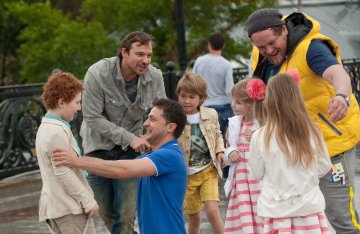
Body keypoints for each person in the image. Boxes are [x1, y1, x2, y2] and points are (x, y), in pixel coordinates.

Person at [246, 8, 360, 233]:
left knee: (340, 216)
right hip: (292, 149)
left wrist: (341, 96)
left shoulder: (311, 48)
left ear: (284, 31)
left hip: (330, 142)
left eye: (272, 43)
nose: (268, 50)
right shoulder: (261, 57)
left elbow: (338, 74)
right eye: (261, 47)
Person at [53, 98, 187, 234]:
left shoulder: (170, 155)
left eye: (152, 119)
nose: (145, 123)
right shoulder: (152, 156)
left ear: (170, 127)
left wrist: (77, 161)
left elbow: (122, 169)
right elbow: (115, 167)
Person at [80, 31, 166, 233]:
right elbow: (92, 117)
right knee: (107, 214)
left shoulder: (155, 77)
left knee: (125, 216)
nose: (146, 60)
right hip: (97, 149)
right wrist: (129, 138)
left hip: (131, 154)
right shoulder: (97, 73)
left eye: (149, 55)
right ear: (124, 53)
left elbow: (161, 113)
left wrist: (148, 136)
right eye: (140, 54)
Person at [248, 73, 332, 233]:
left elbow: (257, 173)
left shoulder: (259, 136)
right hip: (309, 208)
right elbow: (323, 167)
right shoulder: (312, 131)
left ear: (269, 101)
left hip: (276, 210)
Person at [35, 72, 99, 234]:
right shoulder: (56, 132)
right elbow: (63, 172)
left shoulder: (46, 127)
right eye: (77, 102)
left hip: (59, 206)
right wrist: (88, 201)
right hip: (69, 208)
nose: (79, 107)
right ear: (62, 102)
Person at [176, 72, 224, 234]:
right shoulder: (175, 117)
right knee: (194, 217)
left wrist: (220, 151)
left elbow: (218, 134)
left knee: (212, 211)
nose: (186, 101)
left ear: (201, 98)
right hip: (186, 175)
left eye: (191, 97)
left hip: (207, 171)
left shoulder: (211, 114)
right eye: (183, 96)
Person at [223, 78, 265, 233]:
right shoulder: (234, 124)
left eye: (238, 102)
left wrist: (258, 136)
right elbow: (227, 148)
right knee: (244, 214)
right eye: (233, 101)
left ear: (252, 104)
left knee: (260, 212)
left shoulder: (262, 124)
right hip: (240, 181)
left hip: (258, 181)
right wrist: (231, 153)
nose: (233, 105)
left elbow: (271, 149)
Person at [192, 32, 234, 136]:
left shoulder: (199, 61)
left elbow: (193, 83)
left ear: (209, 44)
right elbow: (229, 89)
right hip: (224, 106)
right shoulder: (227, 65)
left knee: (207, 140)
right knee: (224, 141)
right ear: (223, 45)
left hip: (205, 105)